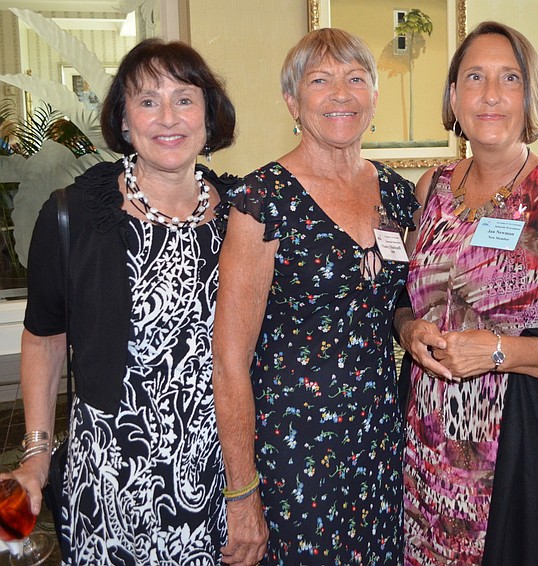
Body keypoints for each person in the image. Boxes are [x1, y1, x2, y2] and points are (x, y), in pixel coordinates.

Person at [15, 38, 237, 563]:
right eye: (147, 100)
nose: (168, 117)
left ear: (209, 116)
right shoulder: (73, 215)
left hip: (221, 479)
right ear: (124, 118)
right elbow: (43, 339)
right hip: (109, 485)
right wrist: (37, 455)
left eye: (184, 99)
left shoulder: (244, 219)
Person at [395, 21, 538, 565]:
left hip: (511, 435)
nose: (490, 95)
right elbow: (408, 300)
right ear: (453, 96)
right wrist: (409, 330)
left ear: (529, 94)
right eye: (474, 78)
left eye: (509, 79)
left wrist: (495, 351)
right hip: (423, 433)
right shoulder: (432, 188)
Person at [212, 28, 418, 565]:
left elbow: (396, 300)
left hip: (377, 437)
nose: (341, 94)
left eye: (356, 79)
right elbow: (229, 361)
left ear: (374, 95)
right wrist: (242, 492)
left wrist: (412, 327)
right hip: (293, 448)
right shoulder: (262, 201)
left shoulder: (397, 192)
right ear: (292, 102)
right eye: (320, 81)